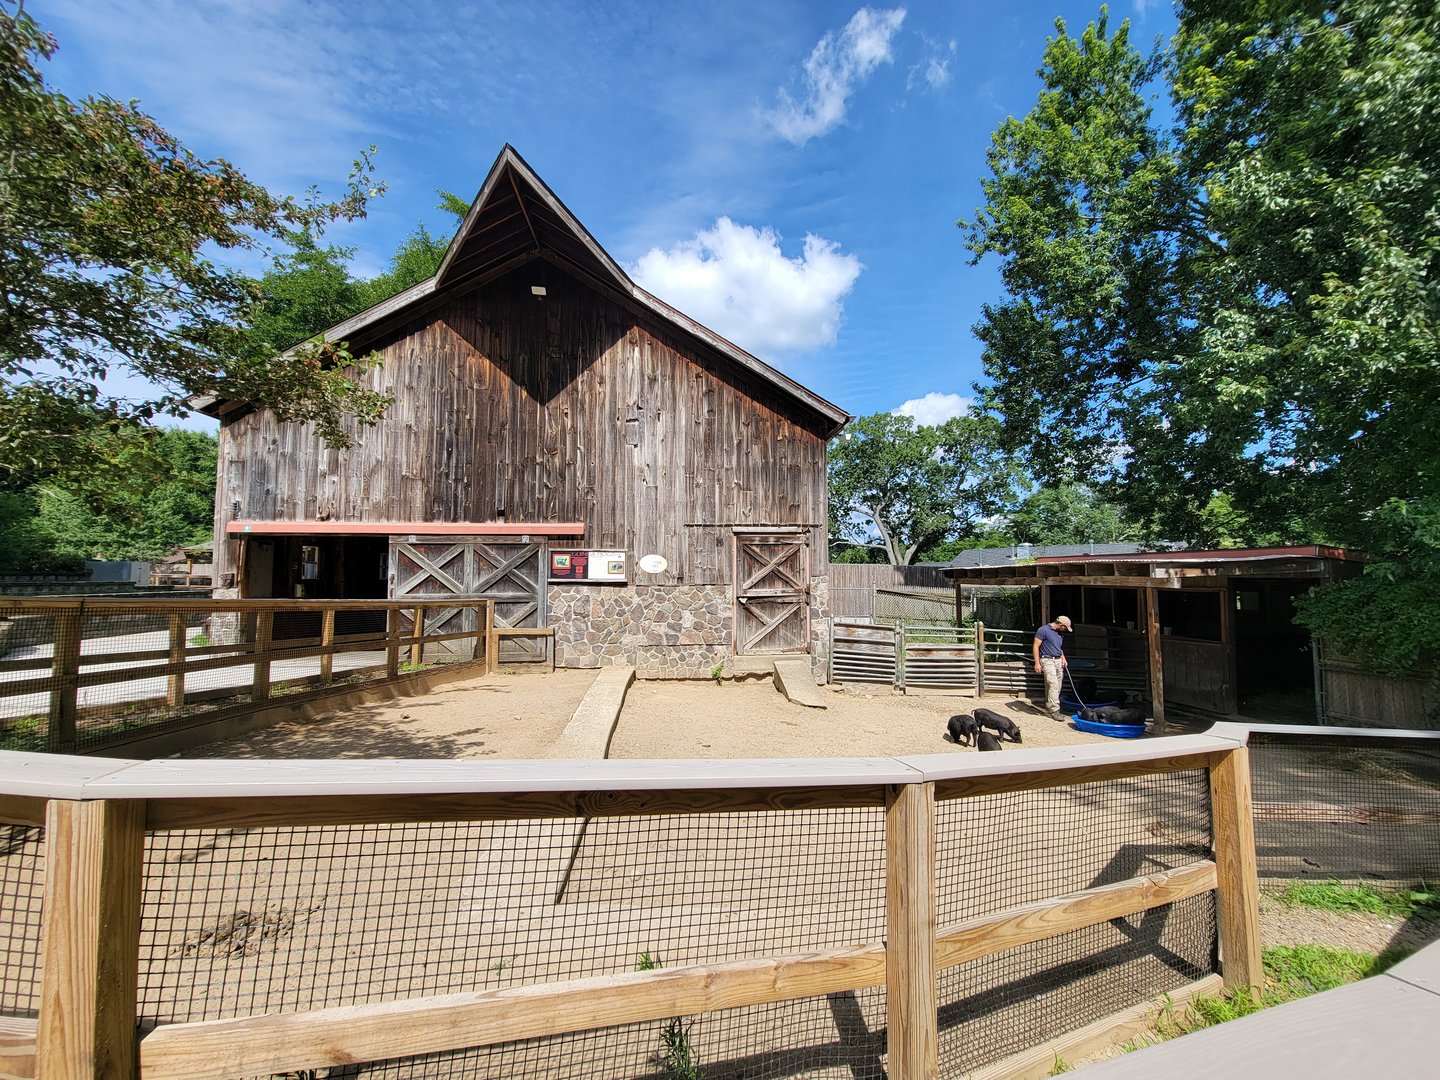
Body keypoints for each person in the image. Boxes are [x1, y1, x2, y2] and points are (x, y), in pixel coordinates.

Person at [1033, 615, 1072, 719]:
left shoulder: (1059, 633)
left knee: (1056, 685)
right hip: (1047, 659)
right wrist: (1037, 663)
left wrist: (1063, 657)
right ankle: (1055, 710)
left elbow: (1058, 647)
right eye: (1065, 628)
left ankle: (1049, 707)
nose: (1065, 630)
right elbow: (1036, 646)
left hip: (1058, 660)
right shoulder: (1043, 630)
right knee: (1053, 684)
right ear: (1061, 625)